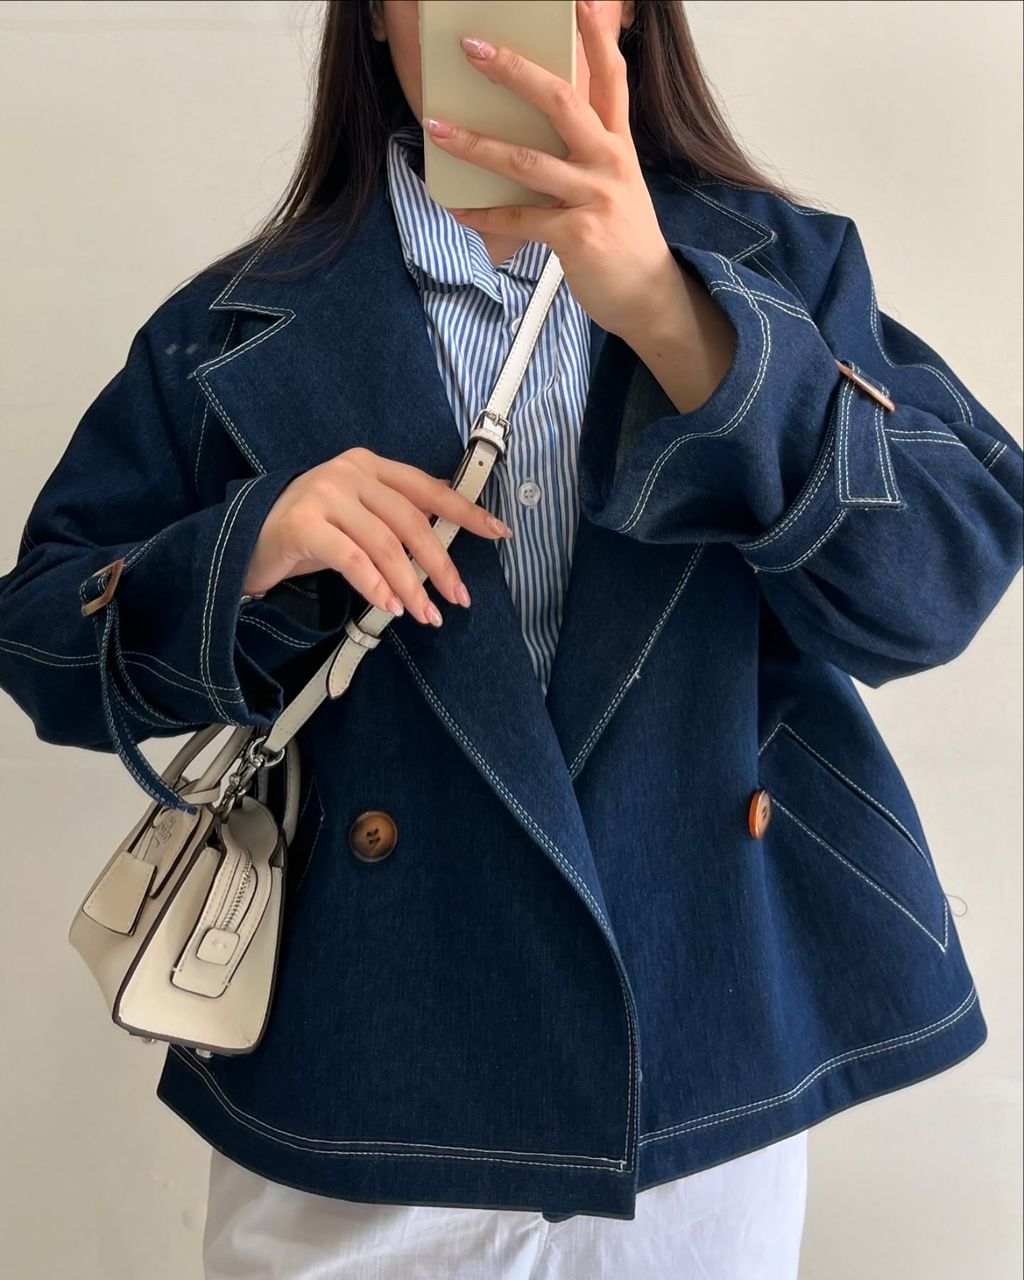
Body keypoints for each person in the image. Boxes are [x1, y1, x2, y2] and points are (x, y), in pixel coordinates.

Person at [0, 1, 1020, 1276]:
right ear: (378, 17)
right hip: (360, 1097)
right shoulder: (233, 326)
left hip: (685, 1084)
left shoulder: (777, 272)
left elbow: (937, 585)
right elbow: (39, 635)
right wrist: (250, 545)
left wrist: (677, 318)